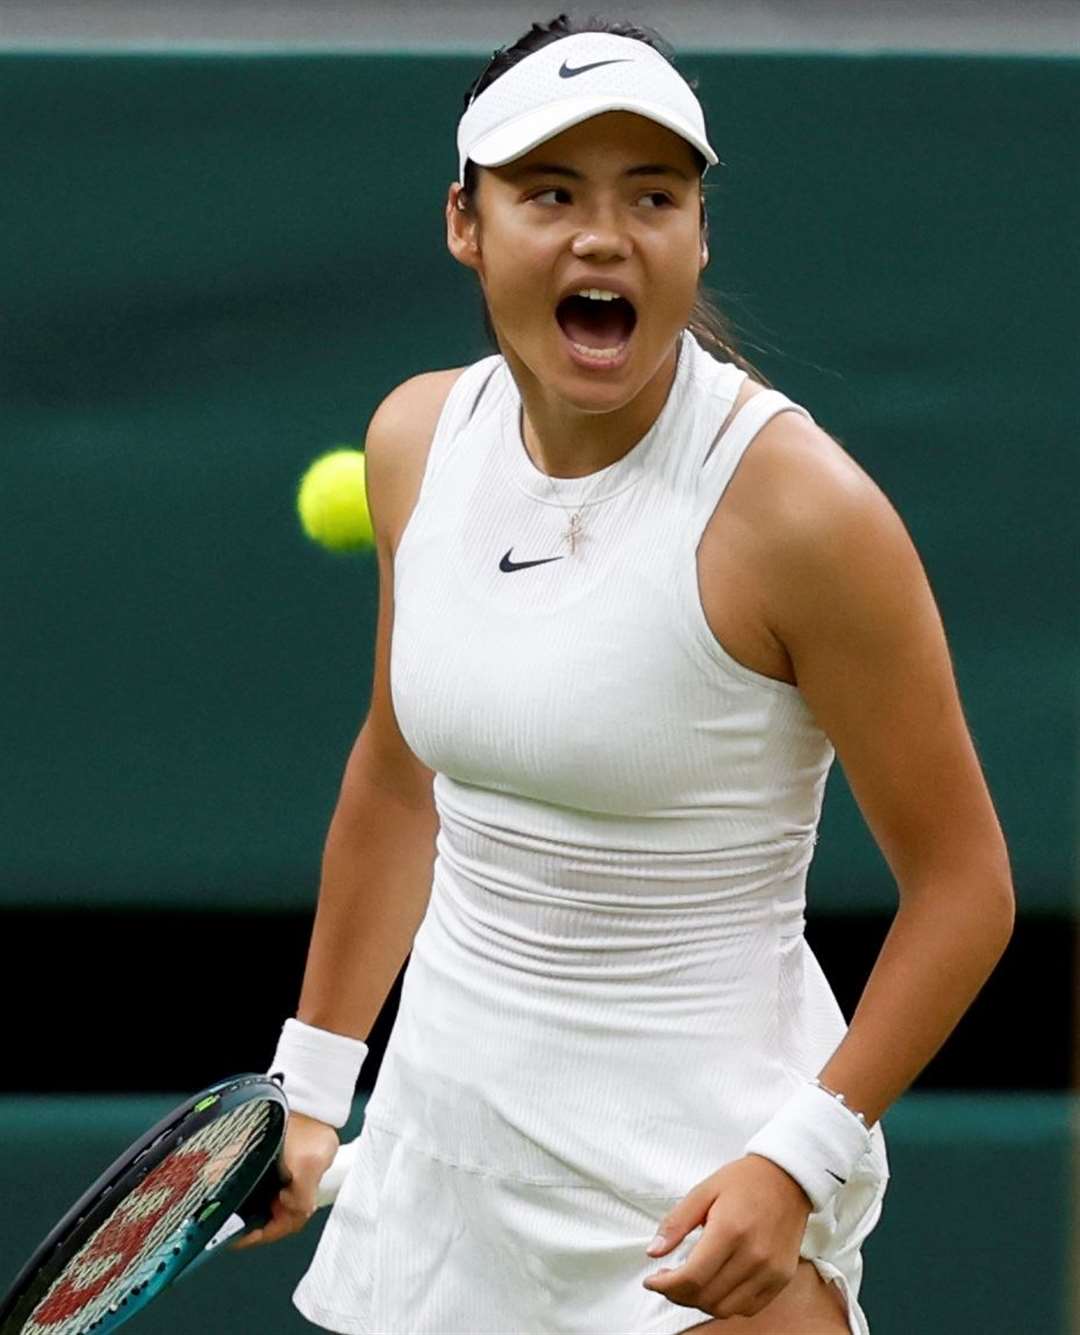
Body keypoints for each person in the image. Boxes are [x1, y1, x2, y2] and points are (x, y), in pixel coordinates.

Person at [231, 15, 1015, 1335]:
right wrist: (310, 1084)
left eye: (654, 196)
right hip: (445, 1170)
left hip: (702, 1202)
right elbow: (397, 775)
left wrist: (800, 1159)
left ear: (698, 236)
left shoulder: (801, 515)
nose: (606, 237)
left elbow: (965, 888)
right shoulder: (417, 439)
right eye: (549, 194)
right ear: (465, 225)